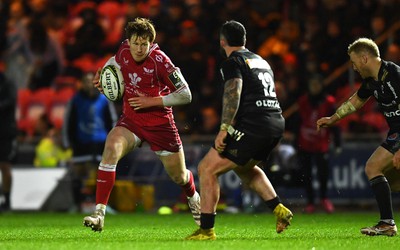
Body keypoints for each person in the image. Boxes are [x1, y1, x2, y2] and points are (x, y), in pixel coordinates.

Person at [83, 17, 200, 232]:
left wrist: (151, 101)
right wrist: (103, 76)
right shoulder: (124, 51)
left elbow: (186, 94)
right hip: (132, 120)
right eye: (135, 43)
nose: (138, 49)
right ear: (128, 41)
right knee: (111, 147)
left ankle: (193, 196)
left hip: (160, 124)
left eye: (144, 44)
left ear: (151, 43)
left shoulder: (161, 61)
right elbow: (113, 62)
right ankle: (99, 213)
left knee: (179, 176)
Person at [186, 20, 293, 241]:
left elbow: (233, 92)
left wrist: (224, 128)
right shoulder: (261, 60)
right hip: (275, 122)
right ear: (244, 40)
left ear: (222, 41)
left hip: (255, 125)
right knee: (245, 168)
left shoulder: (232, 61)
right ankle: (279, 209)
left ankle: (206, 230)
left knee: (207, 168)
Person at [317, 37, 400, 237]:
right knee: (374, 168)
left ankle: (387, 223)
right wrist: (333, 118)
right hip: (396, 133)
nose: (353, 68)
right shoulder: (372, 81)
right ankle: (387, 223)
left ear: (364, 58)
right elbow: (356, 101)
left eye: (354, 62)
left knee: (379, 169)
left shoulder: (395, 74)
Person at [62, 71, 117, 212]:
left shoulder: (105, 100)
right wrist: (67, 142)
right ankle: (77, 204)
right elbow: (68, 121)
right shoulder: (75, 100)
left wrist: (114, 142)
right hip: (80, 143)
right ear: (82, 83)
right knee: (78, 173)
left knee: (100, 173)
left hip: (100, 143)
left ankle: (102, 205)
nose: (89, 84)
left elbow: (113, 121)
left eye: (91, 81)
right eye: (86, 81)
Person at [295, 74, 341, 214]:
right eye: (312, 85)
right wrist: (295, 142)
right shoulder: (303, 101)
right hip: (305, 143)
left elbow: (335, 123)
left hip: (321, 144)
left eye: (317, 84)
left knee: (323, 173)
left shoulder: (329, 102)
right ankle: (310, 202)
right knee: (307, 173)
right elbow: (298, 122)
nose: (314, 88)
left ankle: (324, 198)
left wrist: (338, 143)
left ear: (321, 86)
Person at [0, 75, 17, 212]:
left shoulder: (6, 83)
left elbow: (10, 101)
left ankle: (7, 200)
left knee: (5, 165)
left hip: (5, 131)